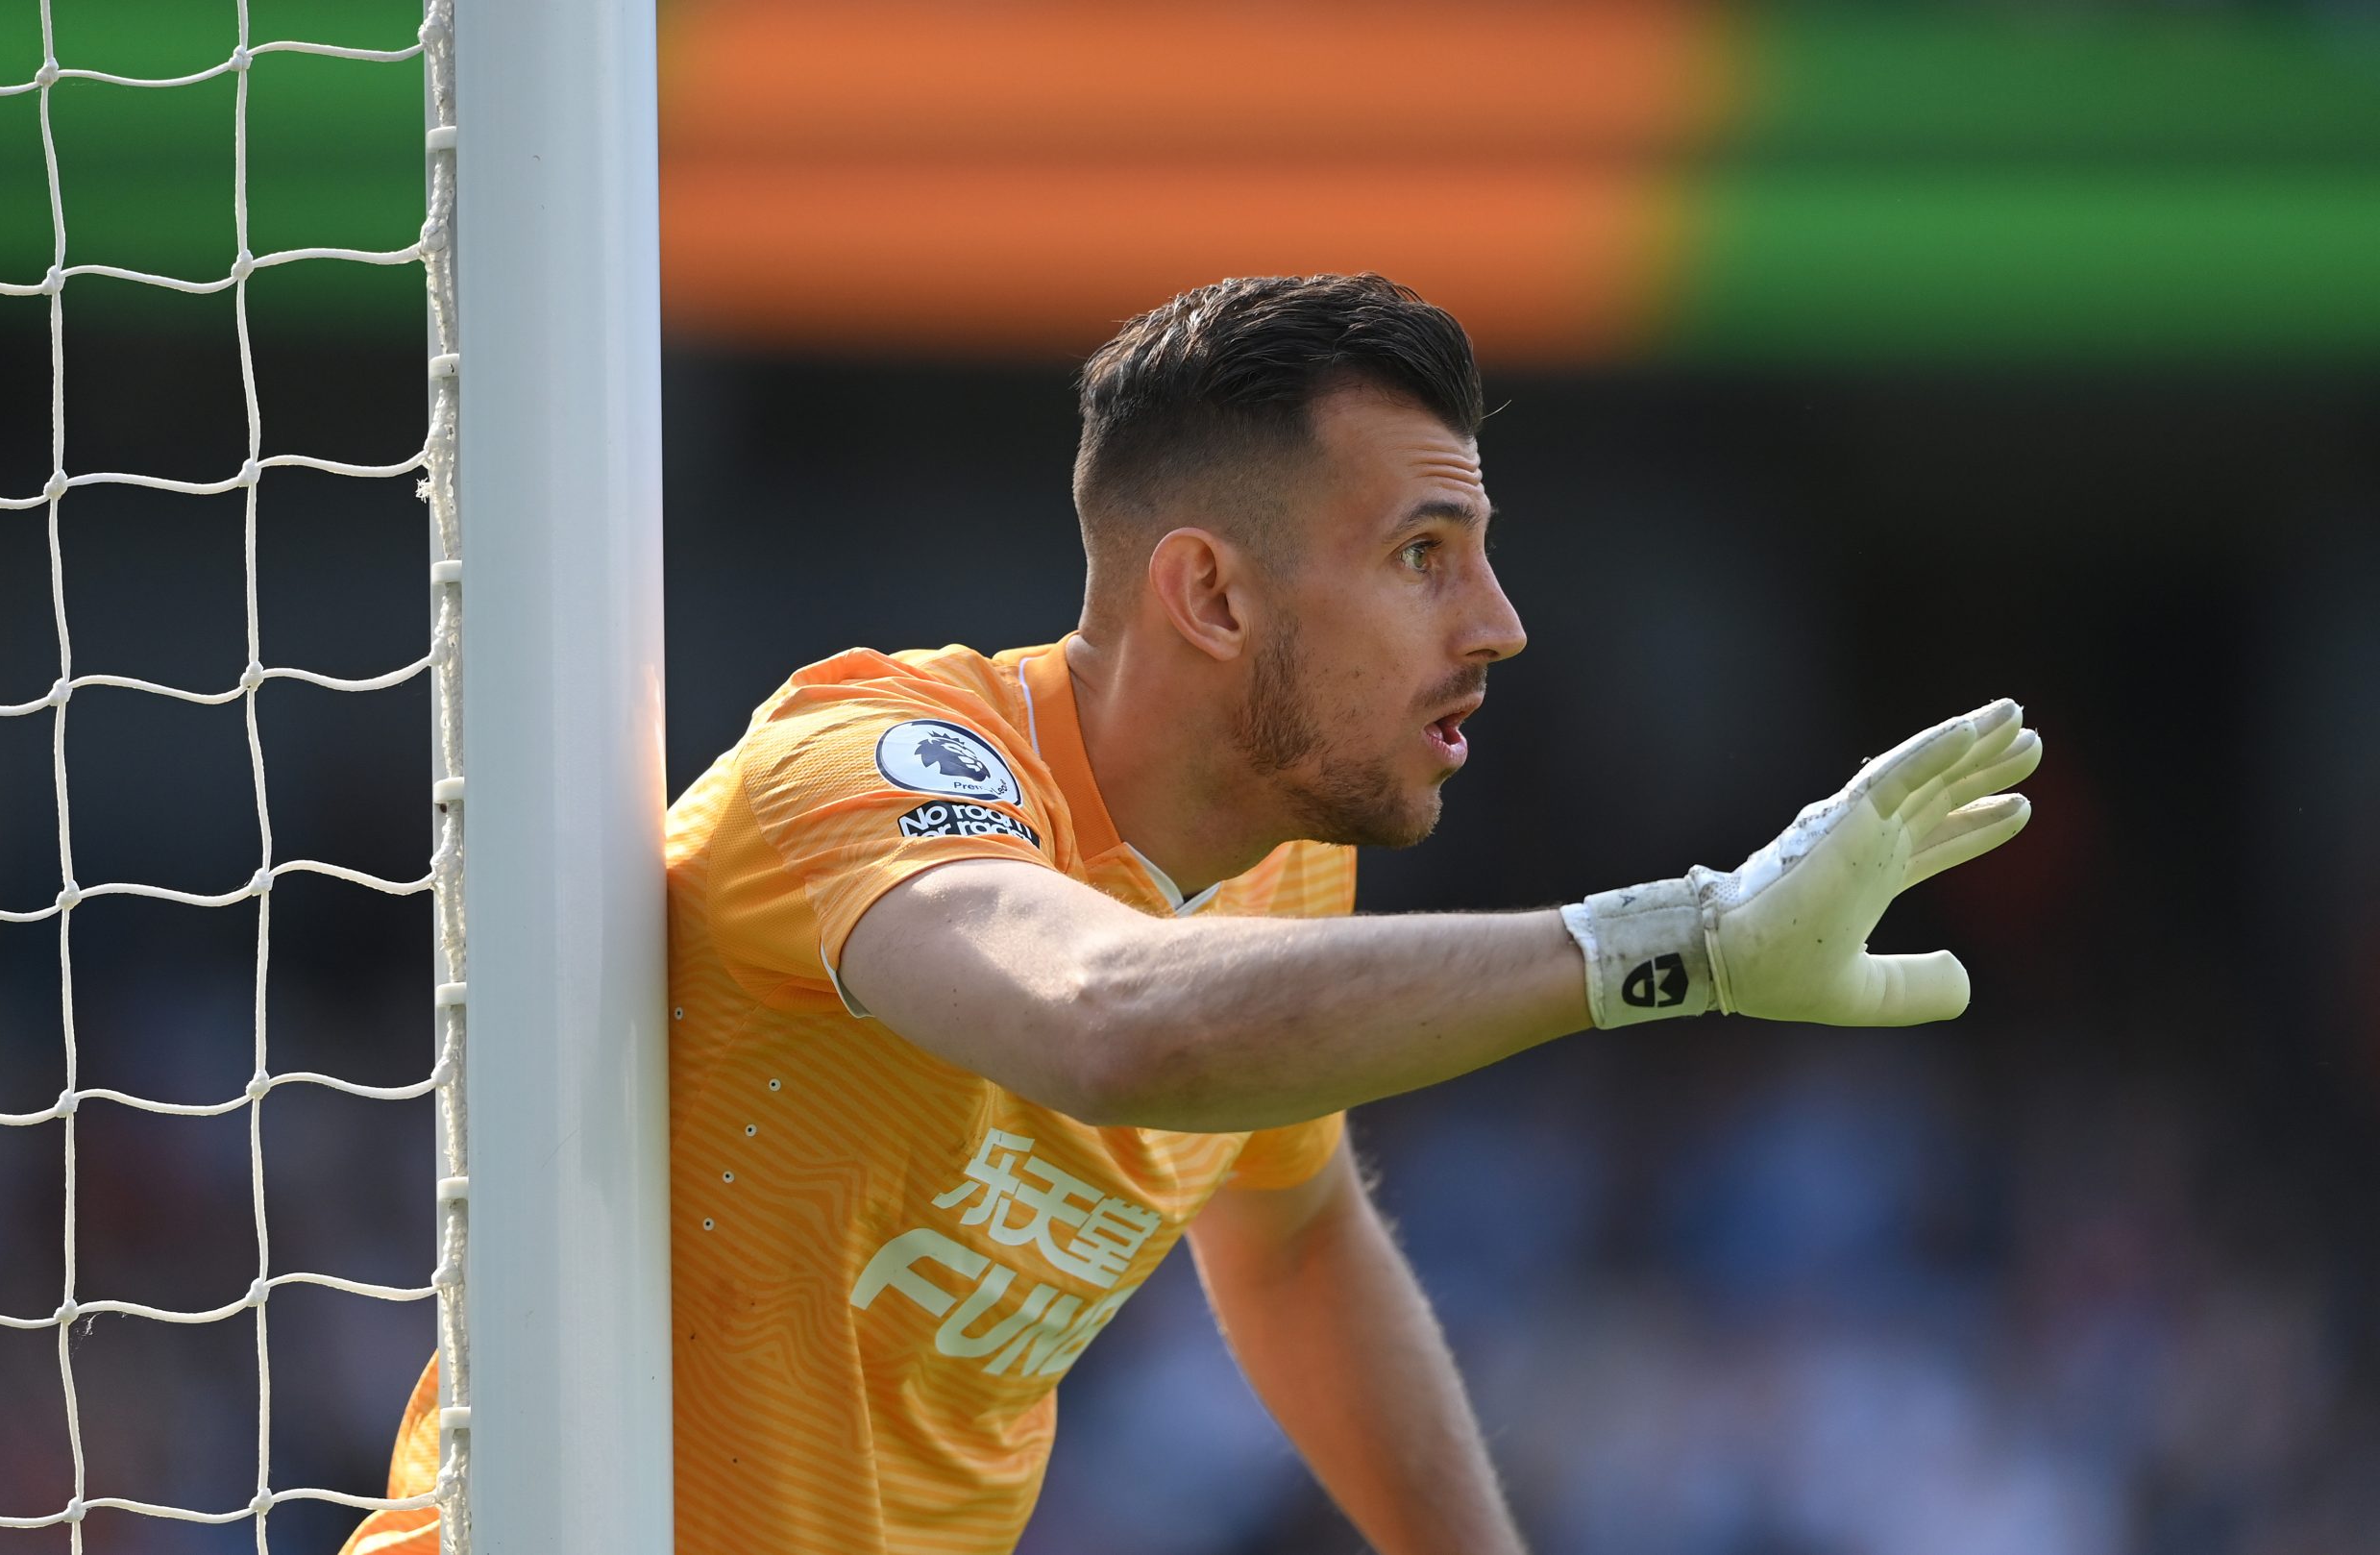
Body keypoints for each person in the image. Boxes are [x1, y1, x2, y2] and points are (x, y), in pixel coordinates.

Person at [342, 272, 2040, 1555]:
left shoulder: (1285, 861)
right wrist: (1689, 942)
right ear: (1212, 593)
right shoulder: (870, 770)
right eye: (1424, 553)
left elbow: (1298, 1239)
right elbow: (1112, 1019)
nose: (1504, 622)